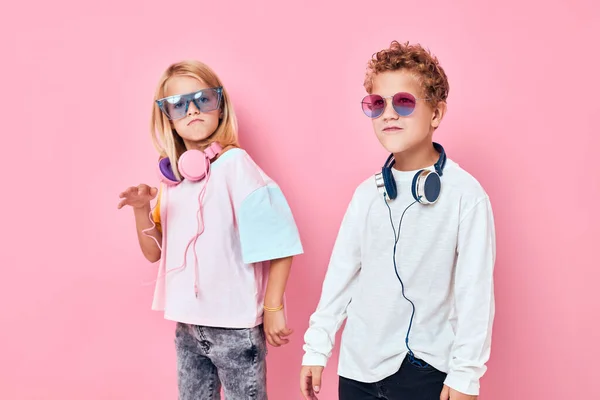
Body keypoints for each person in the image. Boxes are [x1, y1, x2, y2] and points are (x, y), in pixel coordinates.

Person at [300, 41, 496, 400]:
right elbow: (341, 275)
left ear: (436, 114)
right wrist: (317, 346)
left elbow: (475, 292)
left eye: (404, 102)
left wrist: (466, 374)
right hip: (359, 369)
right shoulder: (366, 195)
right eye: (377, 104)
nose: (389, 114)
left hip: (425, 371)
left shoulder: (466, 196)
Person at [118, 60, 303, 400]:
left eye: (203, 99)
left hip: (235, 328)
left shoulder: (236, 165)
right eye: (178, 104)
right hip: (188, 327)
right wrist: (142, 210)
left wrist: (273, 309)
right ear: (167, 117)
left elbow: (280, 241)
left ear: (220, 105)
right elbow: (154, 254)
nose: (192, 110)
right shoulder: (173, 179)